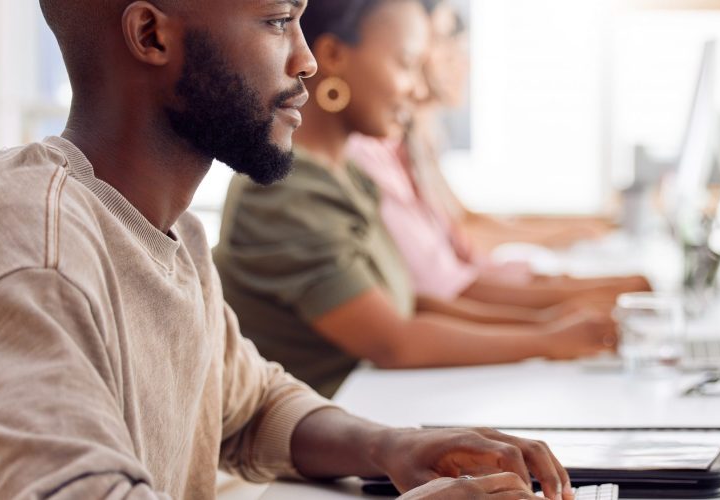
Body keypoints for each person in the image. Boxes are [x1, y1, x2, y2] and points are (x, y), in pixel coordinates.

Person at [0, 0, 575, 498]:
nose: (307, 59)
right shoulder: (28, 244)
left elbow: (252, 402)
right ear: (150, 35)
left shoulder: (172, 235)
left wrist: (394, 446)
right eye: (279, 20)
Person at [213, 0, 618, 399]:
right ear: (334, 55)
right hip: (307, 442)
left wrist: (547, 322)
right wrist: (546, 339)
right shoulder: (288, 188)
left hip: (369, 410)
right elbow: (395, 342)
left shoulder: (347, 173)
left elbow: (409, 303)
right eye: (406, 65)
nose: (419, 88)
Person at [346, 0, 651, 309]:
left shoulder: (410, 141)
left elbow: (461, 238)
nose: (459, 59)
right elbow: (456, 260)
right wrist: (574, 305)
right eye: (442, 40)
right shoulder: (368, 150)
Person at [400, 0, 616, 256]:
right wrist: (559, 236)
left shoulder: (423, 135)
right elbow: (461, 235)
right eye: (443, 41)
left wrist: (574, 226)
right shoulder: (392, 141)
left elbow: (464, 218)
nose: (460, 61)